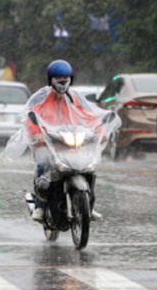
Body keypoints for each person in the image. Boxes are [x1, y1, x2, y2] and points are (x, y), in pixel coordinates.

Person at [10, 59, 104, 222]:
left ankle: (89, 205)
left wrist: (99, 130)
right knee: (42, 164)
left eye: (66, 78)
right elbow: (30, 116)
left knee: (89, 168)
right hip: (47, 142)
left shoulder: (75, 97)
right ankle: (40, 206)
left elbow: (89, 115)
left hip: (70, 141)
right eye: (59, 77)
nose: (63, 81)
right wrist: (37, 133)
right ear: (50, 79)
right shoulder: (41, 97)